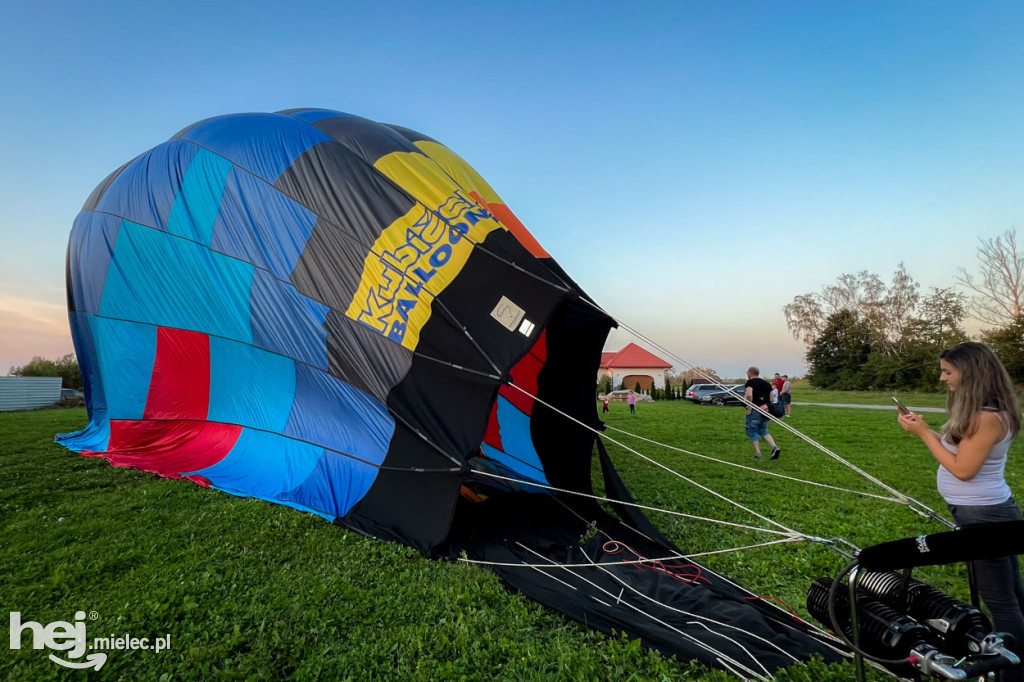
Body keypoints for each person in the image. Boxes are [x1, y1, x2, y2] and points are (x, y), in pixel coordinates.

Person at [898, 341, 1024, 676]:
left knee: (1001, 602)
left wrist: (924, 433)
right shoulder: (989, 413)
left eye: (948, 371)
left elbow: (963, 470)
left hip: (984, 516)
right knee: (1012, 591)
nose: (942, 378)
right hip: (990, 511)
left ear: (971, 373)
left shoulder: (986, 418)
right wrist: (927, 431)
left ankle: (1013, 670)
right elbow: (962, 458)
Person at [744, 366, 781, 460]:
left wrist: (749, 407)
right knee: (763, 430)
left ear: (749, 373)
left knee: (752, 431)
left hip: (755, 410)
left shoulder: (750, 382)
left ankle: (758, 454)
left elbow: (749, 394)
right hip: (766, 411)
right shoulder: (766, 383)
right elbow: (772, 398)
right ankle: (774, 447)